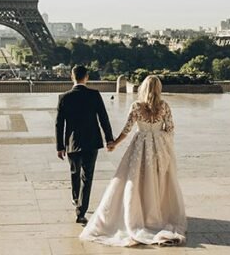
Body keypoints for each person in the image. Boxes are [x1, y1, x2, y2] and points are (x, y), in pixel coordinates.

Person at [79, 75, 187, 246]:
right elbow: (170, 129)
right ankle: (155, 214)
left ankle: (138, 214)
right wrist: (159, 139)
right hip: (159, 148)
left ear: (143, 88)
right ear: (159, 89)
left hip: (140, 146)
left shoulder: (136, 106)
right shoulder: (164, 106)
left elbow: (127, 129)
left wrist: (114, 143)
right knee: (158, 180)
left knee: (136, 181)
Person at [55, 65, 115, 224]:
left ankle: (76, 198)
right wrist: (109, 139)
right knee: (87, 177)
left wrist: (60, 146)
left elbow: (59, 124)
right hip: (91, 142)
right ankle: (81, 211)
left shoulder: (64, 97)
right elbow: (104, 118)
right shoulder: (94, 95)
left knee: (74, 172)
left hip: (72, 142)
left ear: (72, 77)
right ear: (86, 77)